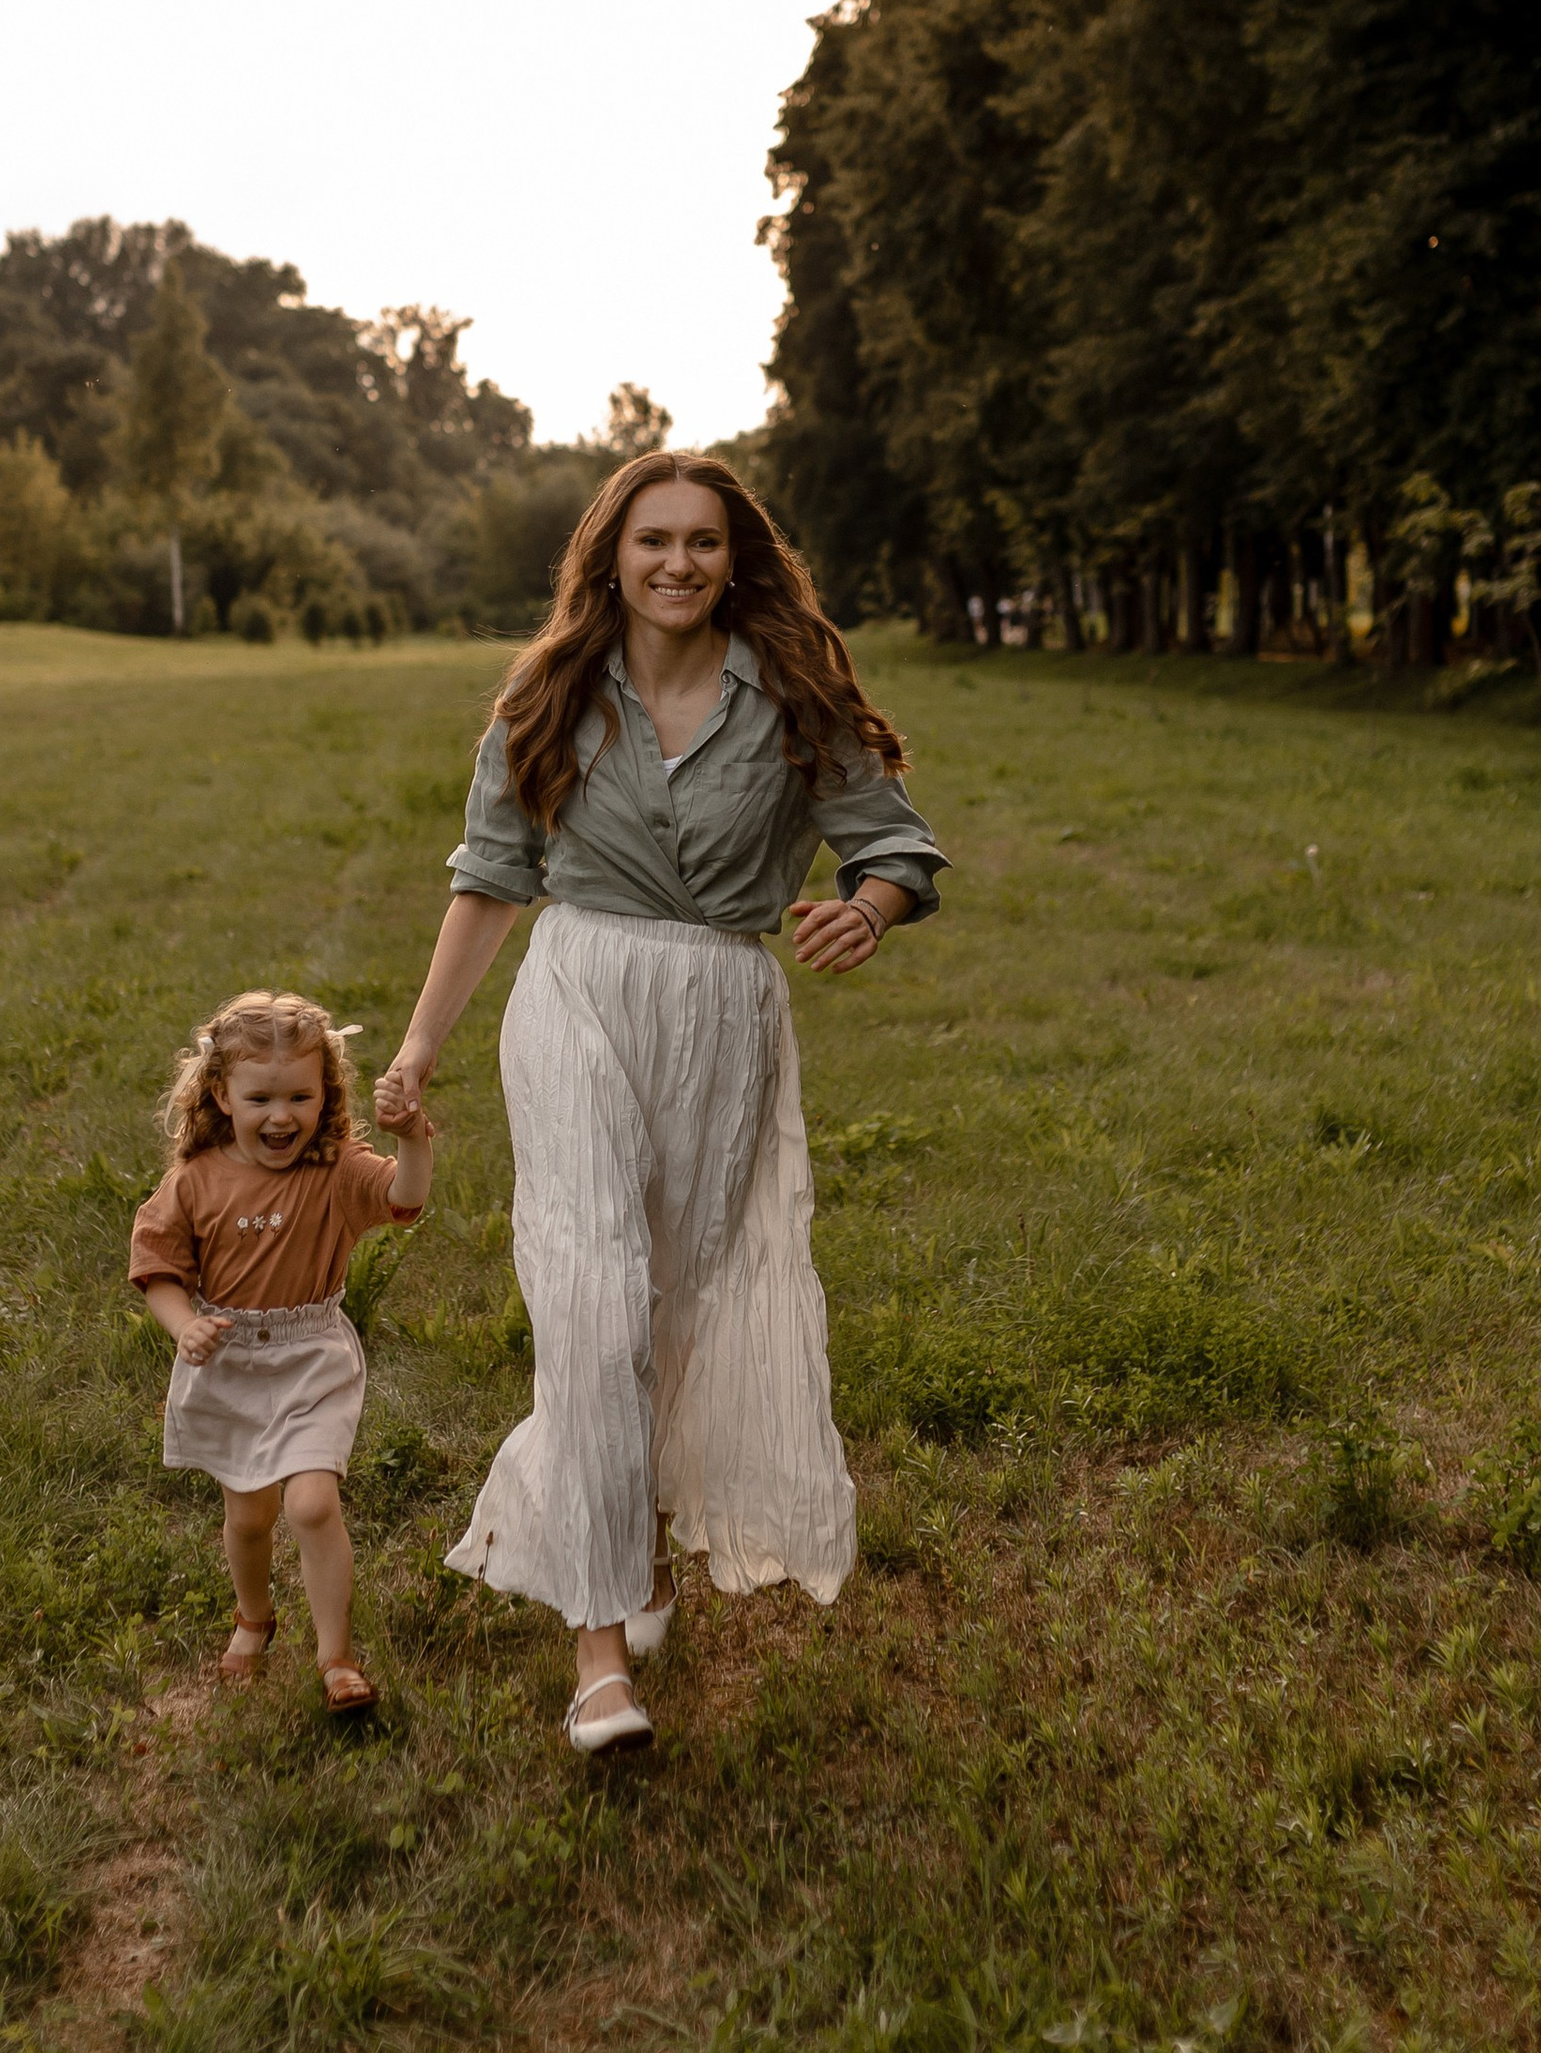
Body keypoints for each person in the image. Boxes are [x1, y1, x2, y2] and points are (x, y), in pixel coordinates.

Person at [374, 452, 945, 1754]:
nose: (677, 563)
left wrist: (866, 908)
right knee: (590, 1302)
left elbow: (896, 843)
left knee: (673, 1316)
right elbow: (491, 876)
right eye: (653, 541)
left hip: (721, 1018)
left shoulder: (797, 692)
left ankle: (629, 1547)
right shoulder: (550, 691)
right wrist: (418, 1045)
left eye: (701, 541)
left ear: (733, 556)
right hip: (577, 987)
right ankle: (600, 1658)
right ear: (610, 556)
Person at [129, 986, 434, 1709]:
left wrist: (413, 1137)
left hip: (310, 1359)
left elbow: (405, 1198)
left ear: (324, 1094)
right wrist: (183, 1325)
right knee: (249, 1516)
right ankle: (254, 1618)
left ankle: (336, 1658)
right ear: (222, 1094)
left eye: (299, 1096)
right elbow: (157, 1269)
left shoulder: (334, 1170)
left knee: (312, 1503)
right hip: (230, 1359)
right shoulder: (195, 1180)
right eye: (261, 1097)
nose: (281, 1115)